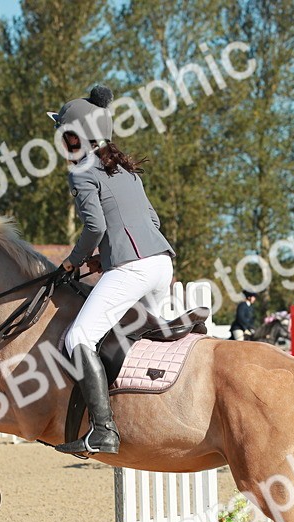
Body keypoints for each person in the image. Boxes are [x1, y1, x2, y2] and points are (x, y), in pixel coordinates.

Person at [48, 85, 175, 455]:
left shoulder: (81, 172)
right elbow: (151, 219)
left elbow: (95, 228)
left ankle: (103, 430)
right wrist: (106, 255)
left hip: (133, 269)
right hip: (161, 264)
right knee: (146, 342)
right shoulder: (125, 170)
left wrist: (74, 260)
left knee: (79, 339)